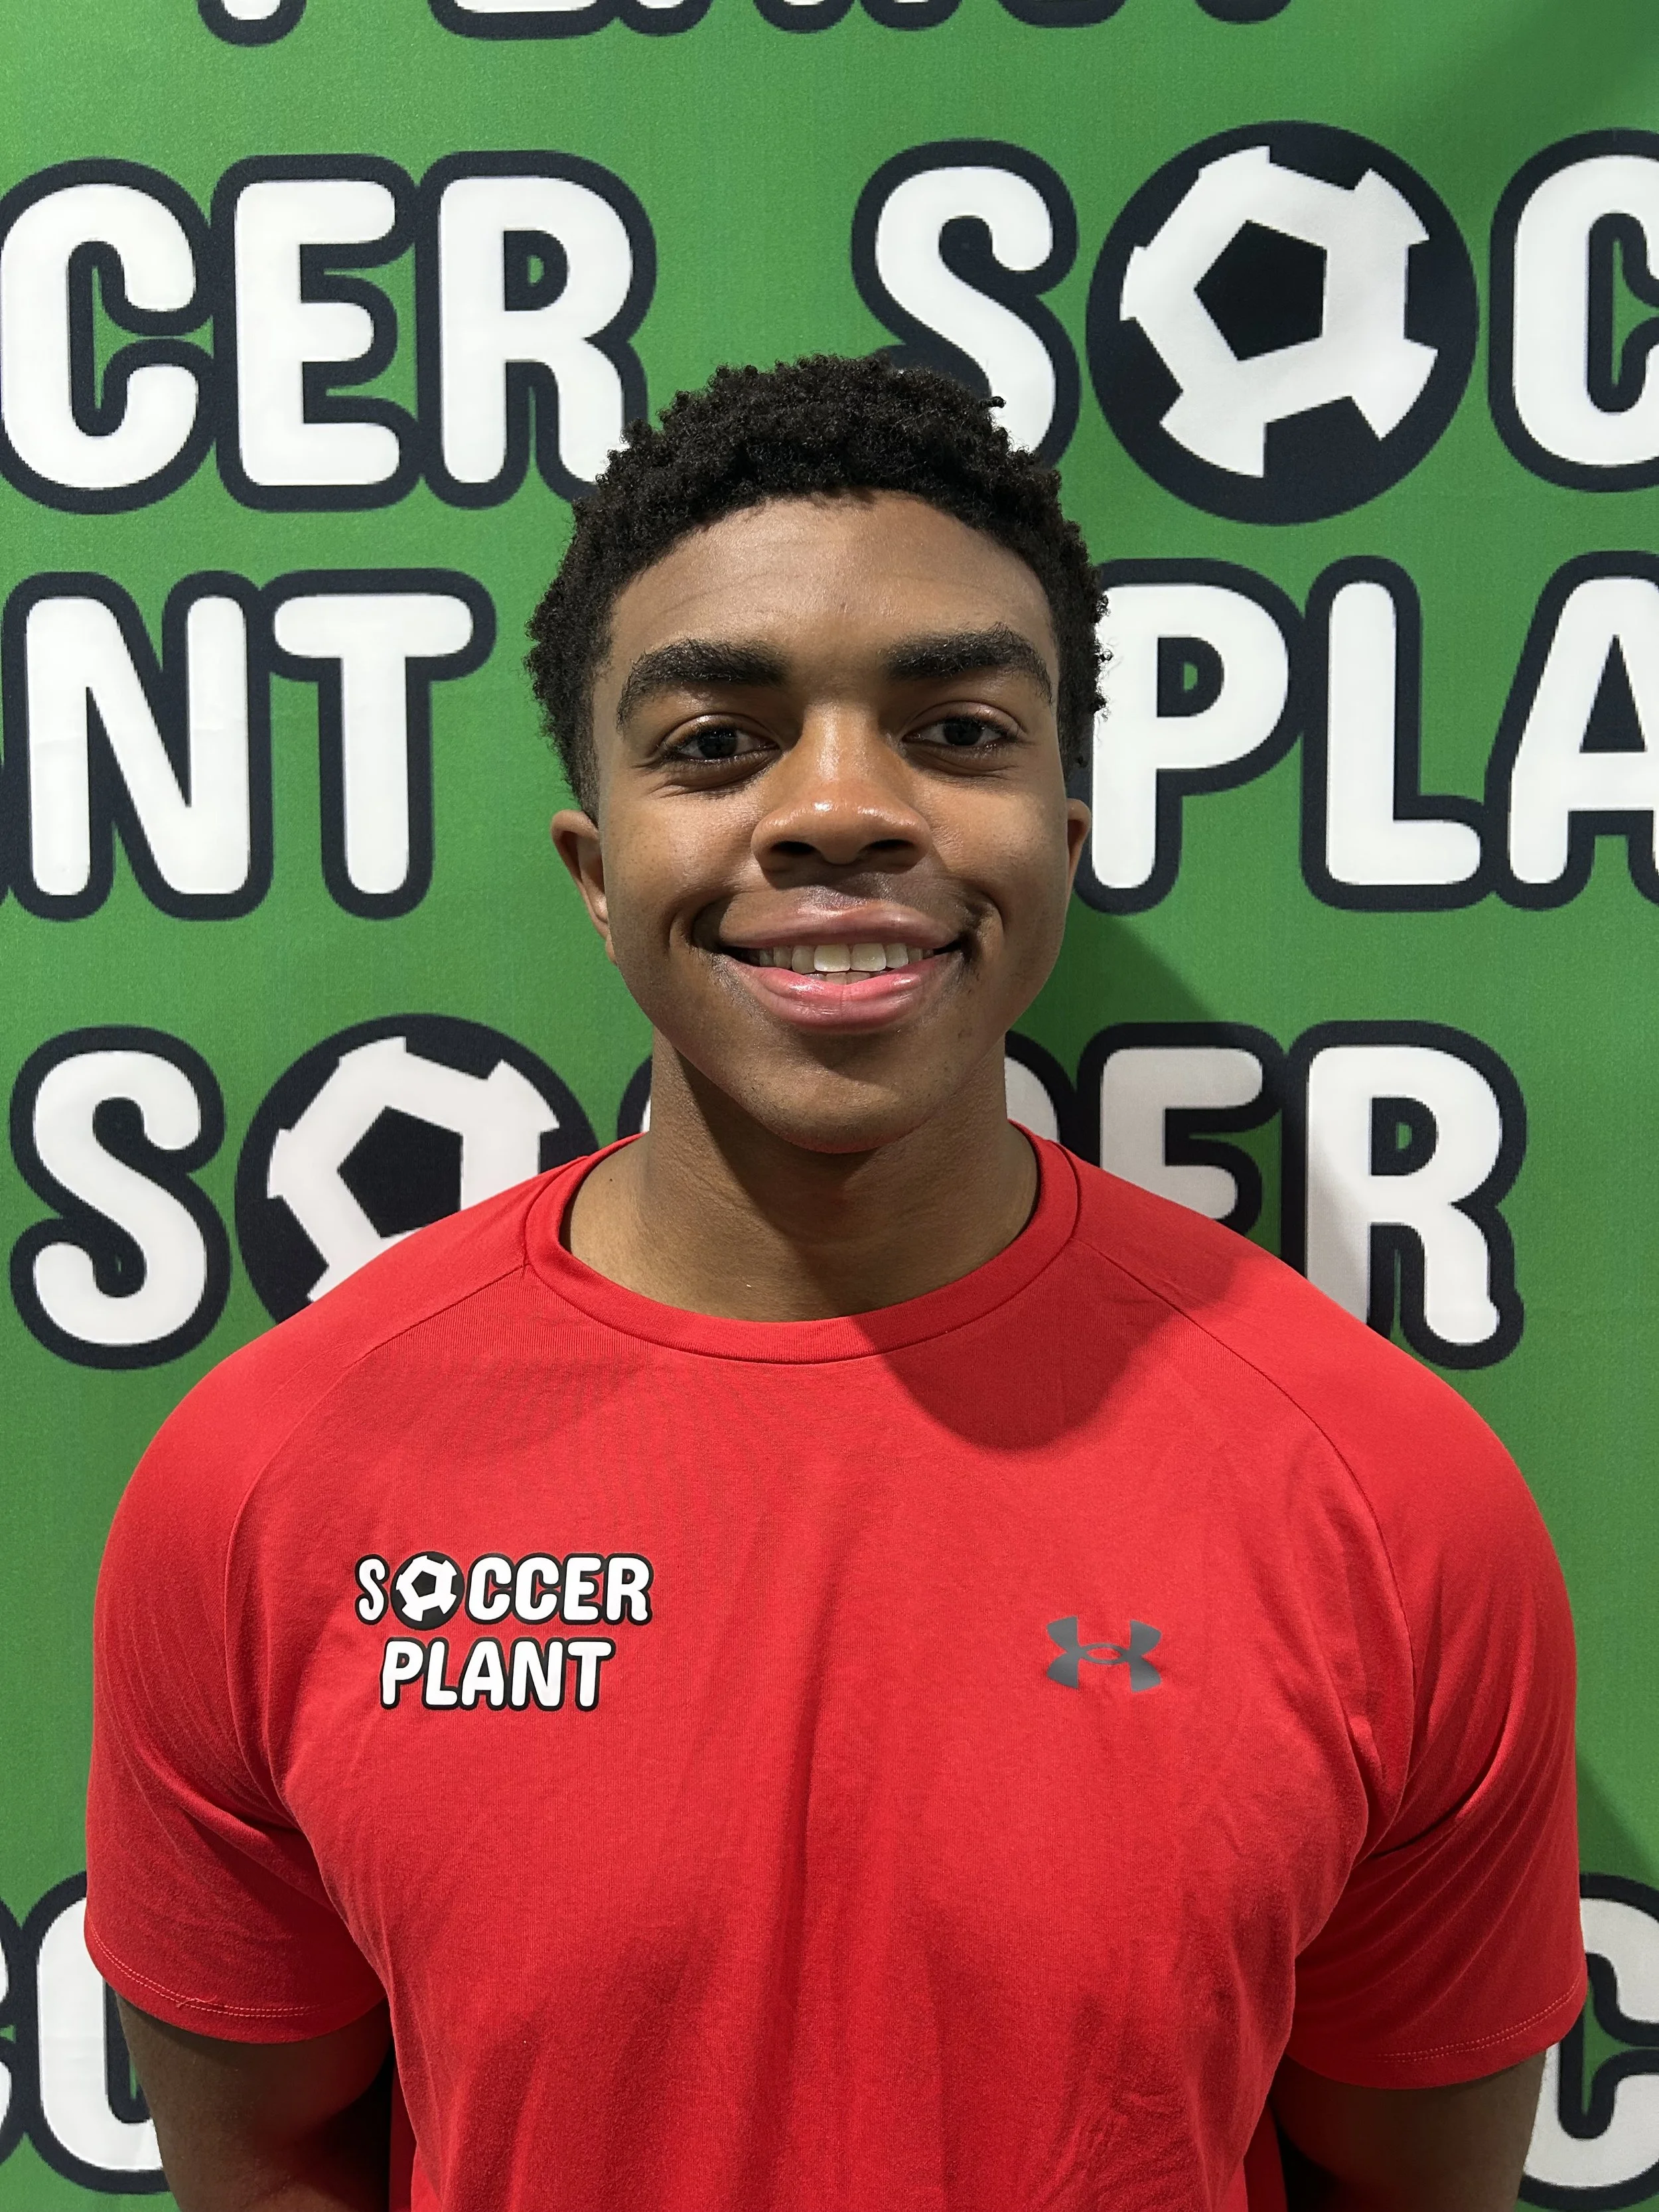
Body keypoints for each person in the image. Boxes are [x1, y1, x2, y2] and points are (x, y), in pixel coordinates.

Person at [88, 354, 1584, 2212]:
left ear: (1065, 831)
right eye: (716, 742)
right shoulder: (268, 1481)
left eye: (956, 731)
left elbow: (1413, 2182)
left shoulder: (1388, 1498)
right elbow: (265, 2162)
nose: (838, 810)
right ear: (594, 864)